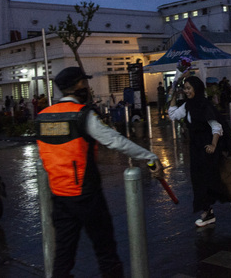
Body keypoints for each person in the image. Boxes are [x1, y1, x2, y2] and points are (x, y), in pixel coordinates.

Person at [35, 67, 164, 278]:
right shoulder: (81, 115)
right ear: (79, 85)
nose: (87, 87)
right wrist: (149, 156)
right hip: (86, 193)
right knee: (105, 249)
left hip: (59, 195)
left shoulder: (42, 117)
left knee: (64, 253)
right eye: (84, 83)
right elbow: (114, 141)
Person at [168, 75, 231, 227]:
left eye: (189, 88)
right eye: (185, 89)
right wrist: (173, 96)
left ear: (197, 89)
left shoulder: (204, 105)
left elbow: (216, 127)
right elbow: (173, 115)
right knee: (199, 182)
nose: (186, 91)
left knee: (216, 178)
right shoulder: (187, 105)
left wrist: (213, 145)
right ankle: (207, 213)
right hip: (196, 149)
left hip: (209, 147)